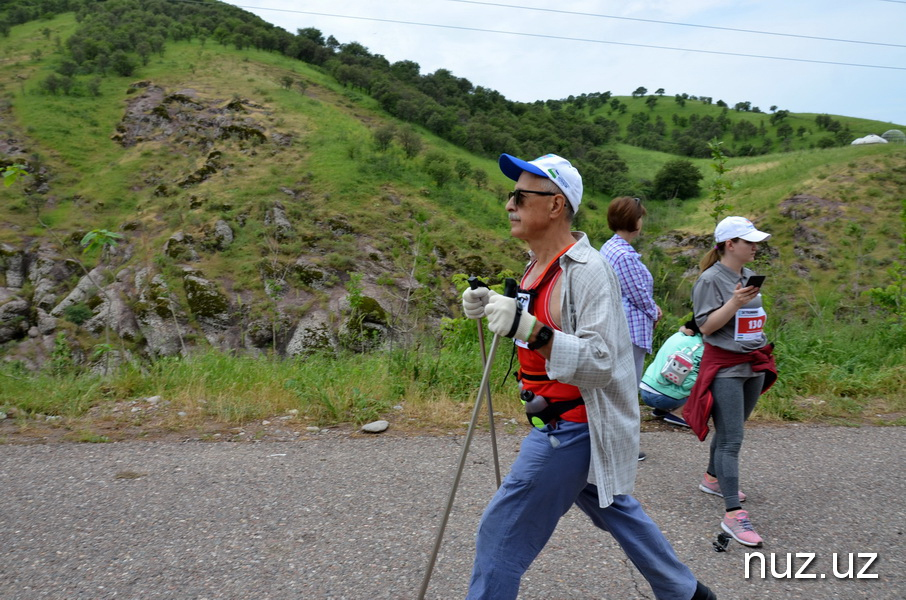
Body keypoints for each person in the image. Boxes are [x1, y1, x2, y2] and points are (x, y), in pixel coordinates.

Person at [461, 153, 716, 600]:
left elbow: (601, 362)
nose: (509, 204)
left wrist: (526, 327)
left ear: (556, 205)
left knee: (499, 535)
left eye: (520, 195)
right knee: (614, 507)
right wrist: (489, 308)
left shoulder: (590, 271)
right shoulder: (535, 265)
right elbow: (534, 336)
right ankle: (686, 593)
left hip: (574, 428)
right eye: (510, 195)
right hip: (558, 419)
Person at [684, 216, 778, 548]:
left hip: (754, 362)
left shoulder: (749, 275)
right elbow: (706, 326)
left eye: (756, 241)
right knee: (731, 440)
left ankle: (712, 478)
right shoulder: (709, 280)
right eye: (748, 241)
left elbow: (751, 317)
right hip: (725, 366)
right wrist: (734, 302)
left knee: (731, 429)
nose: (755, 247)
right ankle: (733, 515)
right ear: (729, 245)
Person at [599, 196, 661, 460]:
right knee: (626, 390)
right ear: (635, 221)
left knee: (618, 389)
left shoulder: (610, 248)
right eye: (641, 216)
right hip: (630, 330)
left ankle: (612, 444)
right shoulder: (625, 255)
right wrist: (654, 311)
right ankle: (623, 448)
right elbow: (637, 293)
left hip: (617, 327)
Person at [640, 320, 704, 428]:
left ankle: (660, 410)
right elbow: (689, 383)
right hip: (662, 398)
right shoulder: (700, 348)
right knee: (705, 382)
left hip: (645, 389)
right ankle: (677, 413)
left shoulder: (679, 334)